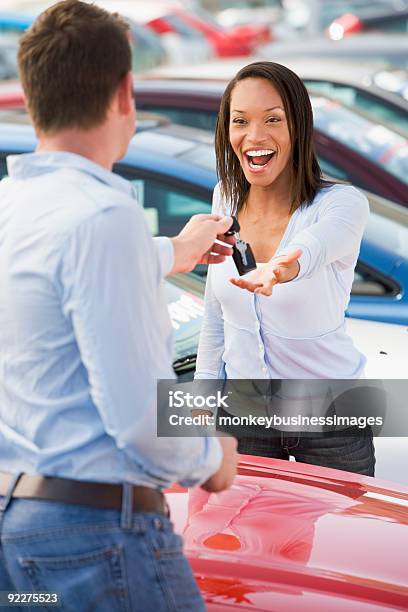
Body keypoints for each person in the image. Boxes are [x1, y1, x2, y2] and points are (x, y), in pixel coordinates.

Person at [0, 2, 239, 610]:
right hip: (101, 539)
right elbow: (139, 419)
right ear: (124, 92)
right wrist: (212, 456)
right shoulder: (106, 217)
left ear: (31, 97)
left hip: (20, 534)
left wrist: (172, 251)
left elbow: (58, 286)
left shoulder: (14, 209)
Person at [195, 61, 376, 476]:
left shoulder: (341, 204)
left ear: (299, 127)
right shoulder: (223, 197)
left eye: (272, 119)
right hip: (245, 417)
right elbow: (215, 316)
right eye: (240, 121)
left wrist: (278, 268)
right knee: (252, 541)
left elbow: (314, 247)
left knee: (342, 540)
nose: (254, 137)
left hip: (331, 420)